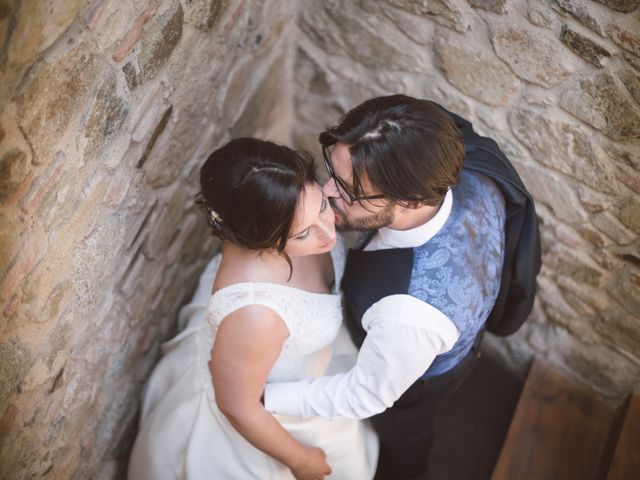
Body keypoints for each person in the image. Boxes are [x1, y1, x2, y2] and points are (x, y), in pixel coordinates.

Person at [263, 94, 535, 479]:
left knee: (406, 442)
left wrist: (268, 397)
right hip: (451, 324)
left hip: (418, 385)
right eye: (332, 169)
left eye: (349, 190)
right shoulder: (446, 149)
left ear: (409, 200)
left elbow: (365, 395)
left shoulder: (407, 316)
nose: (326, 192)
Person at [128, 138, 378, 480]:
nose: (329, 231)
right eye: (303, 234)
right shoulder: (255, 314)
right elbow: (238, 404)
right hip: (267, 412)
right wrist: (301, 460)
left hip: (305, 373)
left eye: (321, 205)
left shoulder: (282, 208)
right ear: (259, 241)